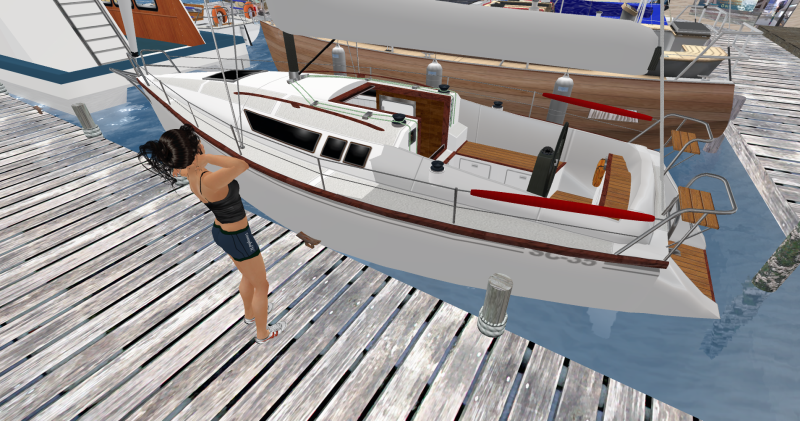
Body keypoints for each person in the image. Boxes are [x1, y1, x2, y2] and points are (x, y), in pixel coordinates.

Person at [137, 124, 284, 343]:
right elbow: (241, 164)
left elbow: (178, 169)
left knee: (247, 276)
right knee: (261, 285)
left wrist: (197, 160)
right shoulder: (209, 179)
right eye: (198, 141)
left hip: (222, 232)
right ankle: (263, 333)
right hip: (239, 237)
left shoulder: (189, 173)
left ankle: (250, 314)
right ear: (195, 150)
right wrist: (205, 158)